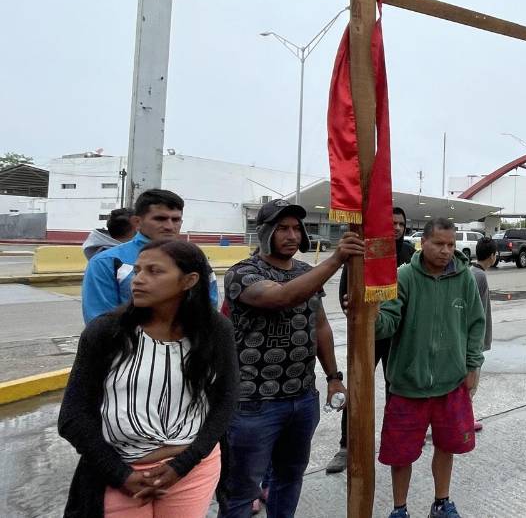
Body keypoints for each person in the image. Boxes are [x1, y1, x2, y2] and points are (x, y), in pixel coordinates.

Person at [59, 239, 237, 518]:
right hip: (119, 474)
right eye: (138, 270)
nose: (138, 280)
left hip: (192, 471)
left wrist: (183, 465)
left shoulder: (215, 331)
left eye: (154, 271)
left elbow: (226, 401)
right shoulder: (107, 332)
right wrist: (120, 475)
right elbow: (72, 416)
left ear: (189, 280)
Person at [218, 199, 363, 518]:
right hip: (253, 403)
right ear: (265, 232)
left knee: (288, 480)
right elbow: (283, 297)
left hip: (301, 399)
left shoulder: (305, 272)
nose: (292, 235)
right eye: (282, 228)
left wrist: (333, 378)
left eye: (297, 228)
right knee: (241, 491)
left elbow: (320, 325)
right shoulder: (243, 273)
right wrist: (337, 258)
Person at [375, 217, 485, 518]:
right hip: (408, 385)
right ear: (423, 242)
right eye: (438, 244)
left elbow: (477, 323)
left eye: (450, 245)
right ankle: (400, 508)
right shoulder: (405, 276)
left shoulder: (465, 278)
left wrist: (472, 364)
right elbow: (387, 323)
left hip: (450, 383)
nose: (446, 251)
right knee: (401, 454)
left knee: (446, 445)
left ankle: (441, 502)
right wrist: (368, 313)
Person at [326, 206, 418, 473]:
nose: (397, 227)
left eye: (401, 223)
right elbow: (347, 292)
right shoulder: (365, 251)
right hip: (369, 333)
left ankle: (396, 440)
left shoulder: (410, 255)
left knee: (397, 389)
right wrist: (356, 319)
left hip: (397, 335)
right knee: (357, 388)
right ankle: (346, 447)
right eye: (392, 223)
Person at [82, 189, 219, 322]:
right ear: (137, 222)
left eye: (176, 219)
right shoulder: (106, 262)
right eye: (160, 219)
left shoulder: (195, 259)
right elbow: (99, 322)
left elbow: (209, 308)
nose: (169, 226)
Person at [469, 236, 497, 432]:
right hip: (474, 342)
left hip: (472, 341)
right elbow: (476, 312)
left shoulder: (473, 272)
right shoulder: (479, 276)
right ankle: (466, 420)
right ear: (493, 256)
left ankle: (466, 418)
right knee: (471, 383)